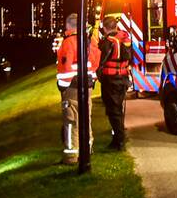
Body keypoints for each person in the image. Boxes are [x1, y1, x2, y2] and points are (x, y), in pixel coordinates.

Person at [55, 13, 100, 164]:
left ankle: (71, 156)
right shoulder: (89, 41)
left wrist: (62, 86)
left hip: (72, 87)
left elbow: (65, 68)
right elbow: (94, 63)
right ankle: (88, 148)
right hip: (87, 85)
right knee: (86, 118)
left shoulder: (68, 42)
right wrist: (92, 81)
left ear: (68, 26)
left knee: (71, 120)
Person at [97, 16, 132, 150]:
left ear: (105, 28)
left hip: (111, 80)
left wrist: (99, 74)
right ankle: (118, 138)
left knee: (113, 110)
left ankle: (119, 141)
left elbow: (102, 61)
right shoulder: (124, 38)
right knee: (118, 109)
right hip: (122, 78)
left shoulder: (108, 42)